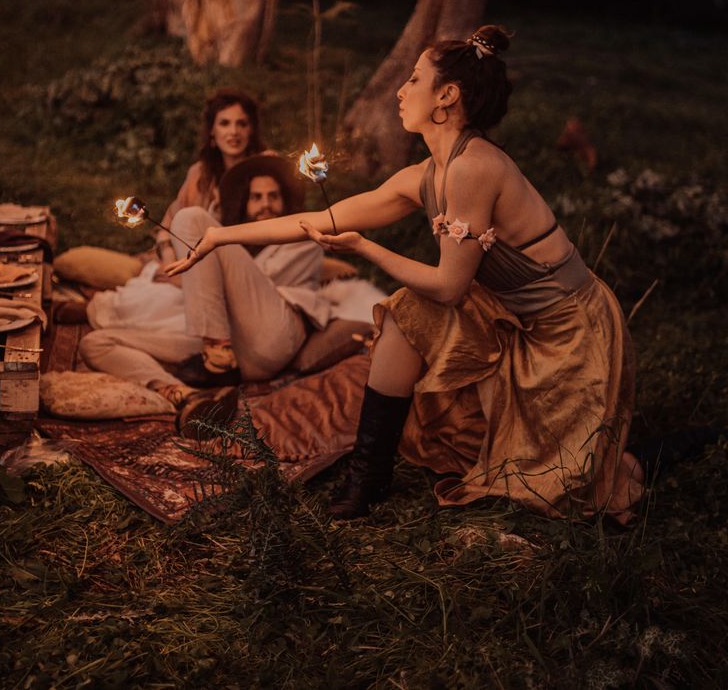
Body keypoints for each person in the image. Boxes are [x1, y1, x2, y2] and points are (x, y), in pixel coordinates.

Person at [165, 26, 644, 522]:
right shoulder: (426, 174)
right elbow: (328, 219)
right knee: (403, 314)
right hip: (515, 320)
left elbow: (451, 287)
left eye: (414, 79)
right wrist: (223, 237)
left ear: (446, 97)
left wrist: (364, 248)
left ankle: (625, 453)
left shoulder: (475, 169)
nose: (400, 89)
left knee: (570, 484)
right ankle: (368, 478)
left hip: (569, 334)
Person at [80, 154, 329, 415]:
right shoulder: (239, 238)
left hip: (272, 335)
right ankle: (185, 395)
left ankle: (218, 359)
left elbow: (248, 282)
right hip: (235, 352)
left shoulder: (302, 234)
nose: (265, 204)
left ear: (285, 200)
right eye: (256, 197)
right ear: (245, 203)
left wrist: (201, 264)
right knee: (95, 343)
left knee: (190, 218)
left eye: (273, 196)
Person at [153, 88, 267, 269]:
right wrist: (168, 255)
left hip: (253, 267)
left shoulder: (267, 169)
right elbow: (167, 227)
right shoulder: (200, 173)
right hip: (193, 263)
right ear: (212, 131)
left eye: (242, 124)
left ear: (251, 129)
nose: (234, 132)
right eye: (225, 123)